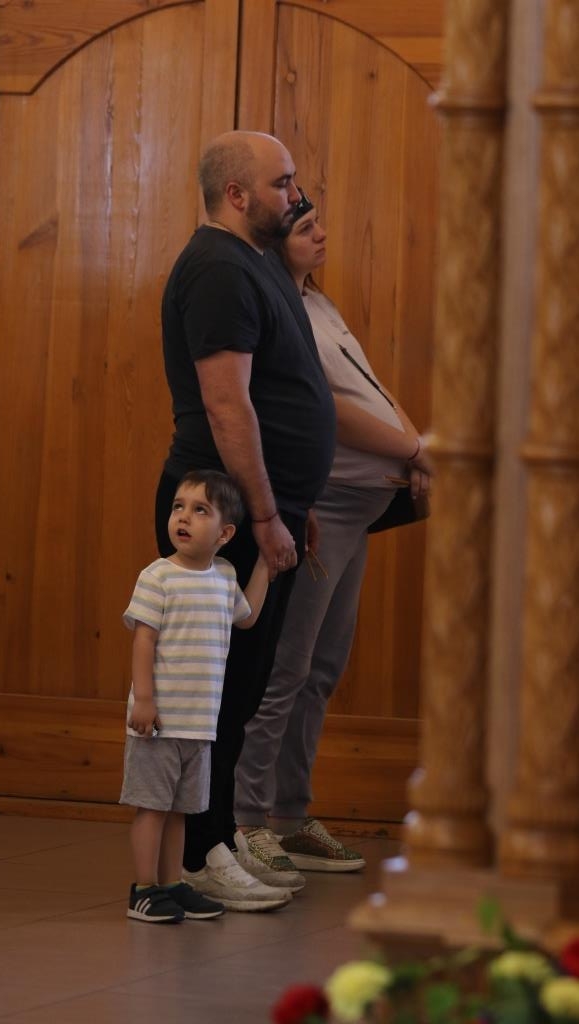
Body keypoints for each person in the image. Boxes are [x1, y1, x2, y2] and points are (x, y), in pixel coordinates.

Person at [156, 133, 336, 910]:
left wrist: (295, 502)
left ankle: (220, 837)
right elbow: (228, 407)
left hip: (264, 511)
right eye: (282, 182)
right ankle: (198, 854)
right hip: (225, 515)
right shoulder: (218, 270)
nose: (296, 194)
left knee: (246, 683)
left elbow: (280, 392)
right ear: (236, 194)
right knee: (216, 693)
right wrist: (264, 512)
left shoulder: (257, 261)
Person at [233, 193, 433, 873]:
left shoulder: (317, 303)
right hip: (325, 503)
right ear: (272, 242)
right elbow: (330, 411)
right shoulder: (277, 311)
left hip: (364, 506)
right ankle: (246, 819)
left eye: (319, 223)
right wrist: (415, 451)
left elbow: (370, 389)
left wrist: (413, 449)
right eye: (305, 228)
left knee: (320, 670)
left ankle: (290, 816)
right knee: (285, 667)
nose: (321, 234)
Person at [122, 469, 270, 923]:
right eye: (178, 507)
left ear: (225, 534)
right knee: (153, 808)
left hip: (199, 723)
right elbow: (143, 640)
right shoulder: (157, 577)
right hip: (160, 722)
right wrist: (144, 700)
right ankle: (144, 889)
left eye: (200, 510)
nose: (183, 517)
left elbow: (247, 617)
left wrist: (266, 565)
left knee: (180, 811)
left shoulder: (224, 576)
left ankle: (172, 884)